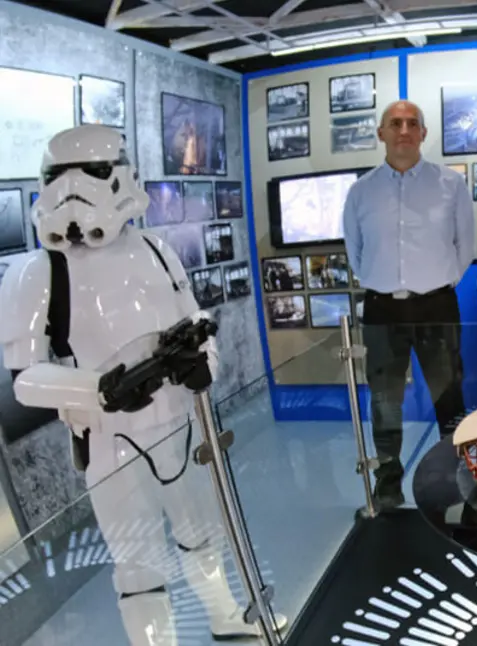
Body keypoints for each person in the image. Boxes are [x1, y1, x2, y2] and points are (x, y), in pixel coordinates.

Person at [0, 125, 287, 645]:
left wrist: (206, 360)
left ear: (121, 176)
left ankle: (223, 613)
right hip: (109, 437)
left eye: (92, 173)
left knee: (201, 533)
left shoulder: (155, 248)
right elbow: (25, 382)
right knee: (137, 563)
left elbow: (193, 315)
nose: (73, 189)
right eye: (58, 176)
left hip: (178, 420)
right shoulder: (36, 272)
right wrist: (98, 391)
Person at [343, 100, 473, 509]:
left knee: (448, 395)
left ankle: (455, 475)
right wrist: (385, 283)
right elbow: (355, 253)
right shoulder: (361, 191)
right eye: (395, 123)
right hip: (382, 309)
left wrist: (433, 284)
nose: (404, 130)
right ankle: (387, 481)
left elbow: (464, 247)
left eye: (412, 123)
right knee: (384, 399)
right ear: (380, 133)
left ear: (423, 134)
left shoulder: (451, 185)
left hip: (437, 306)